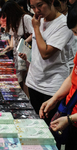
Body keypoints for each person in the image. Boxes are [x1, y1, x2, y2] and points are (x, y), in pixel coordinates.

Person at [19, 0, 75, 126]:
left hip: (51, 87)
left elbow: (45, 53)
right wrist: (28, 54)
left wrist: (36, 28)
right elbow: (38, 49)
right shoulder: (40, 19)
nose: (36, 10)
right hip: (34, 81)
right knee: (34, 126)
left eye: (40, 5)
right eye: (33, 7)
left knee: (49, 131)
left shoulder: (63, 24)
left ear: (51, 1)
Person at [40, 3, 77, 150]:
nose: (75, 37)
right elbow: (72, 78)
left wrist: (69, 120)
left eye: (76, 32)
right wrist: (54, 99)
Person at [2, 0, 33, 96]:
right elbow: (13, 36)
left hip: (25, 52)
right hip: (17, 54)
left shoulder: (26, 18)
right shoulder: (13, 20)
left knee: (26, 78)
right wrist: (11, 46)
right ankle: (22, 96)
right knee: (19, 76)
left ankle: (26, 98)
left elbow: (34, 34)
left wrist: (23, 43)